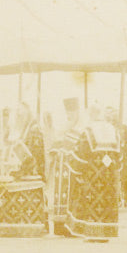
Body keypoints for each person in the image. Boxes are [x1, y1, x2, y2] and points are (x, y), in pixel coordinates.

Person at [66, 104, 120, 240]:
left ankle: (93, 233)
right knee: (106, 201)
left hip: (92, 176)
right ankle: (106, 232)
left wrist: (76, 171)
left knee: (93, 201)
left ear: (91, 115)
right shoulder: (113, 130)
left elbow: (80, 155)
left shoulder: (88, 131)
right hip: (110, 175)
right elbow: (120, 158)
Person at [51, 97, 83, 236]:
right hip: (60, 168)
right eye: (68, 112)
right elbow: (54, 146)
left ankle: (71, 227)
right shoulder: (63, 127)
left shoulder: (79, 129)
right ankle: (59, 227)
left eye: (72, 112)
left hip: (72, 169)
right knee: (59, 196)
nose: (69, 115)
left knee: (72, 196)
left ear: (77, 112)